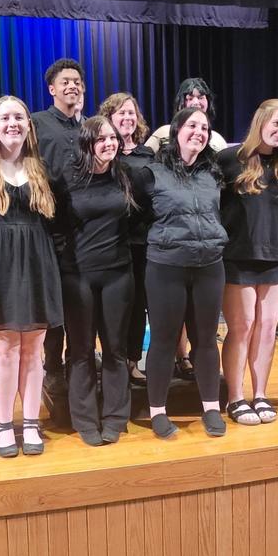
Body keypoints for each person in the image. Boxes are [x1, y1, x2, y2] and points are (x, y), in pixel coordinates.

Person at [0, 95, 63, 457]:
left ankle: (31, 422)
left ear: (28, 124)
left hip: (36, 258)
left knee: (33, 351)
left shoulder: (42, 166)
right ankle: (5, 425)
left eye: (19, 117)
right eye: (4, 117)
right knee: (5, 350)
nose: (12, 124)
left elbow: (58, 217)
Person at [133, 107, 228, 439]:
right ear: (176, 131)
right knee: (163, 340)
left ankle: (211, 408)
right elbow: (136, 218)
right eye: (192, 125)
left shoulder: (213, 173)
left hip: (209, 267)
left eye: (204, 127)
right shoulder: (151, 173)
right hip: (166, 267)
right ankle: (158, 411)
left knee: (205, 340)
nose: (199, 132)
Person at [55, 116, 135, 445]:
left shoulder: (124, 176)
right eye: (101, 139)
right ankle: (85, 419)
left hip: (118, 273)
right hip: (78, 276)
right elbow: (55, 224)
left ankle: (116, 415)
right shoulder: (67, 179)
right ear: (87, 143)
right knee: (81, 351)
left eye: (112, 138)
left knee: (115, 349)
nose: (109, 144)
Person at [217, 99, 278, 426]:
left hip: (275, 259)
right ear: (261, 120)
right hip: (238, 258)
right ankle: (236, 397)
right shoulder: (229, 159)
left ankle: (259, 394)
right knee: (242, 327)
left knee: (266, 330)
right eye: (277, 123)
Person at [32, 58, 86, 424]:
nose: (73, 86)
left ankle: (78, 361)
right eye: (66, 81)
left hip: (85, 230)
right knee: (52, 304)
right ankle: (52, 365)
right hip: (47, 228)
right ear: (52, 89)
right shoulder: (36, 124)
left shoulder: (90, 127)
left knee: (79, 303)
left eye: (78, 81)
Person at [98, 92, 153, 383]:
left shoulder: (148, 156)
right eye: (120, 113)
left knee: (138, 304)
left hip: (142, 242)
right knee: (112, 306)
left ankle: (132, 360)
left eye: (132, 113)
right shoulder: (103, 153)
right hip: (110, 240)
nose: (127, 118)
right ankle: (112, 360)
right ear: (108, 118)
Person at [143, 77, 228, 154]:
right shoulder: (164, 132)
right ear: (180, 103)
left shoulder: (217, 140)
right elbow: (142, 159)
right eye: (190, 98)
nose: (196, 103)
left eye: (200, 97)